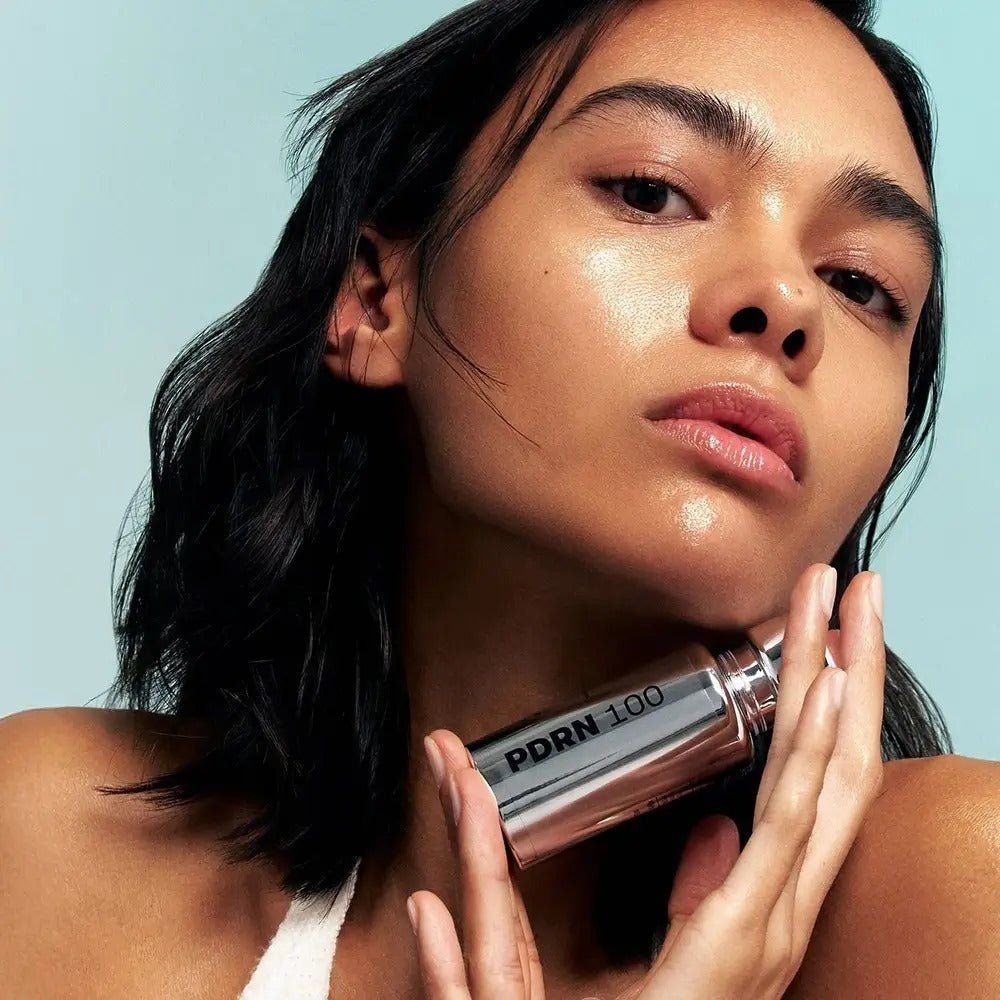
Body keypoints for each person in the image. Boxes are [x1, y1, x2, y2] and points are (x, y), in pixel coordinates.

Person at [2, 0, 998, 996]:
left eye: (860, 283)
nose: (786, 301)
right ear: (375, 301)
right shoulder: (54, 847)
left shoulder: (953, 892)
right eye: (650, 191)